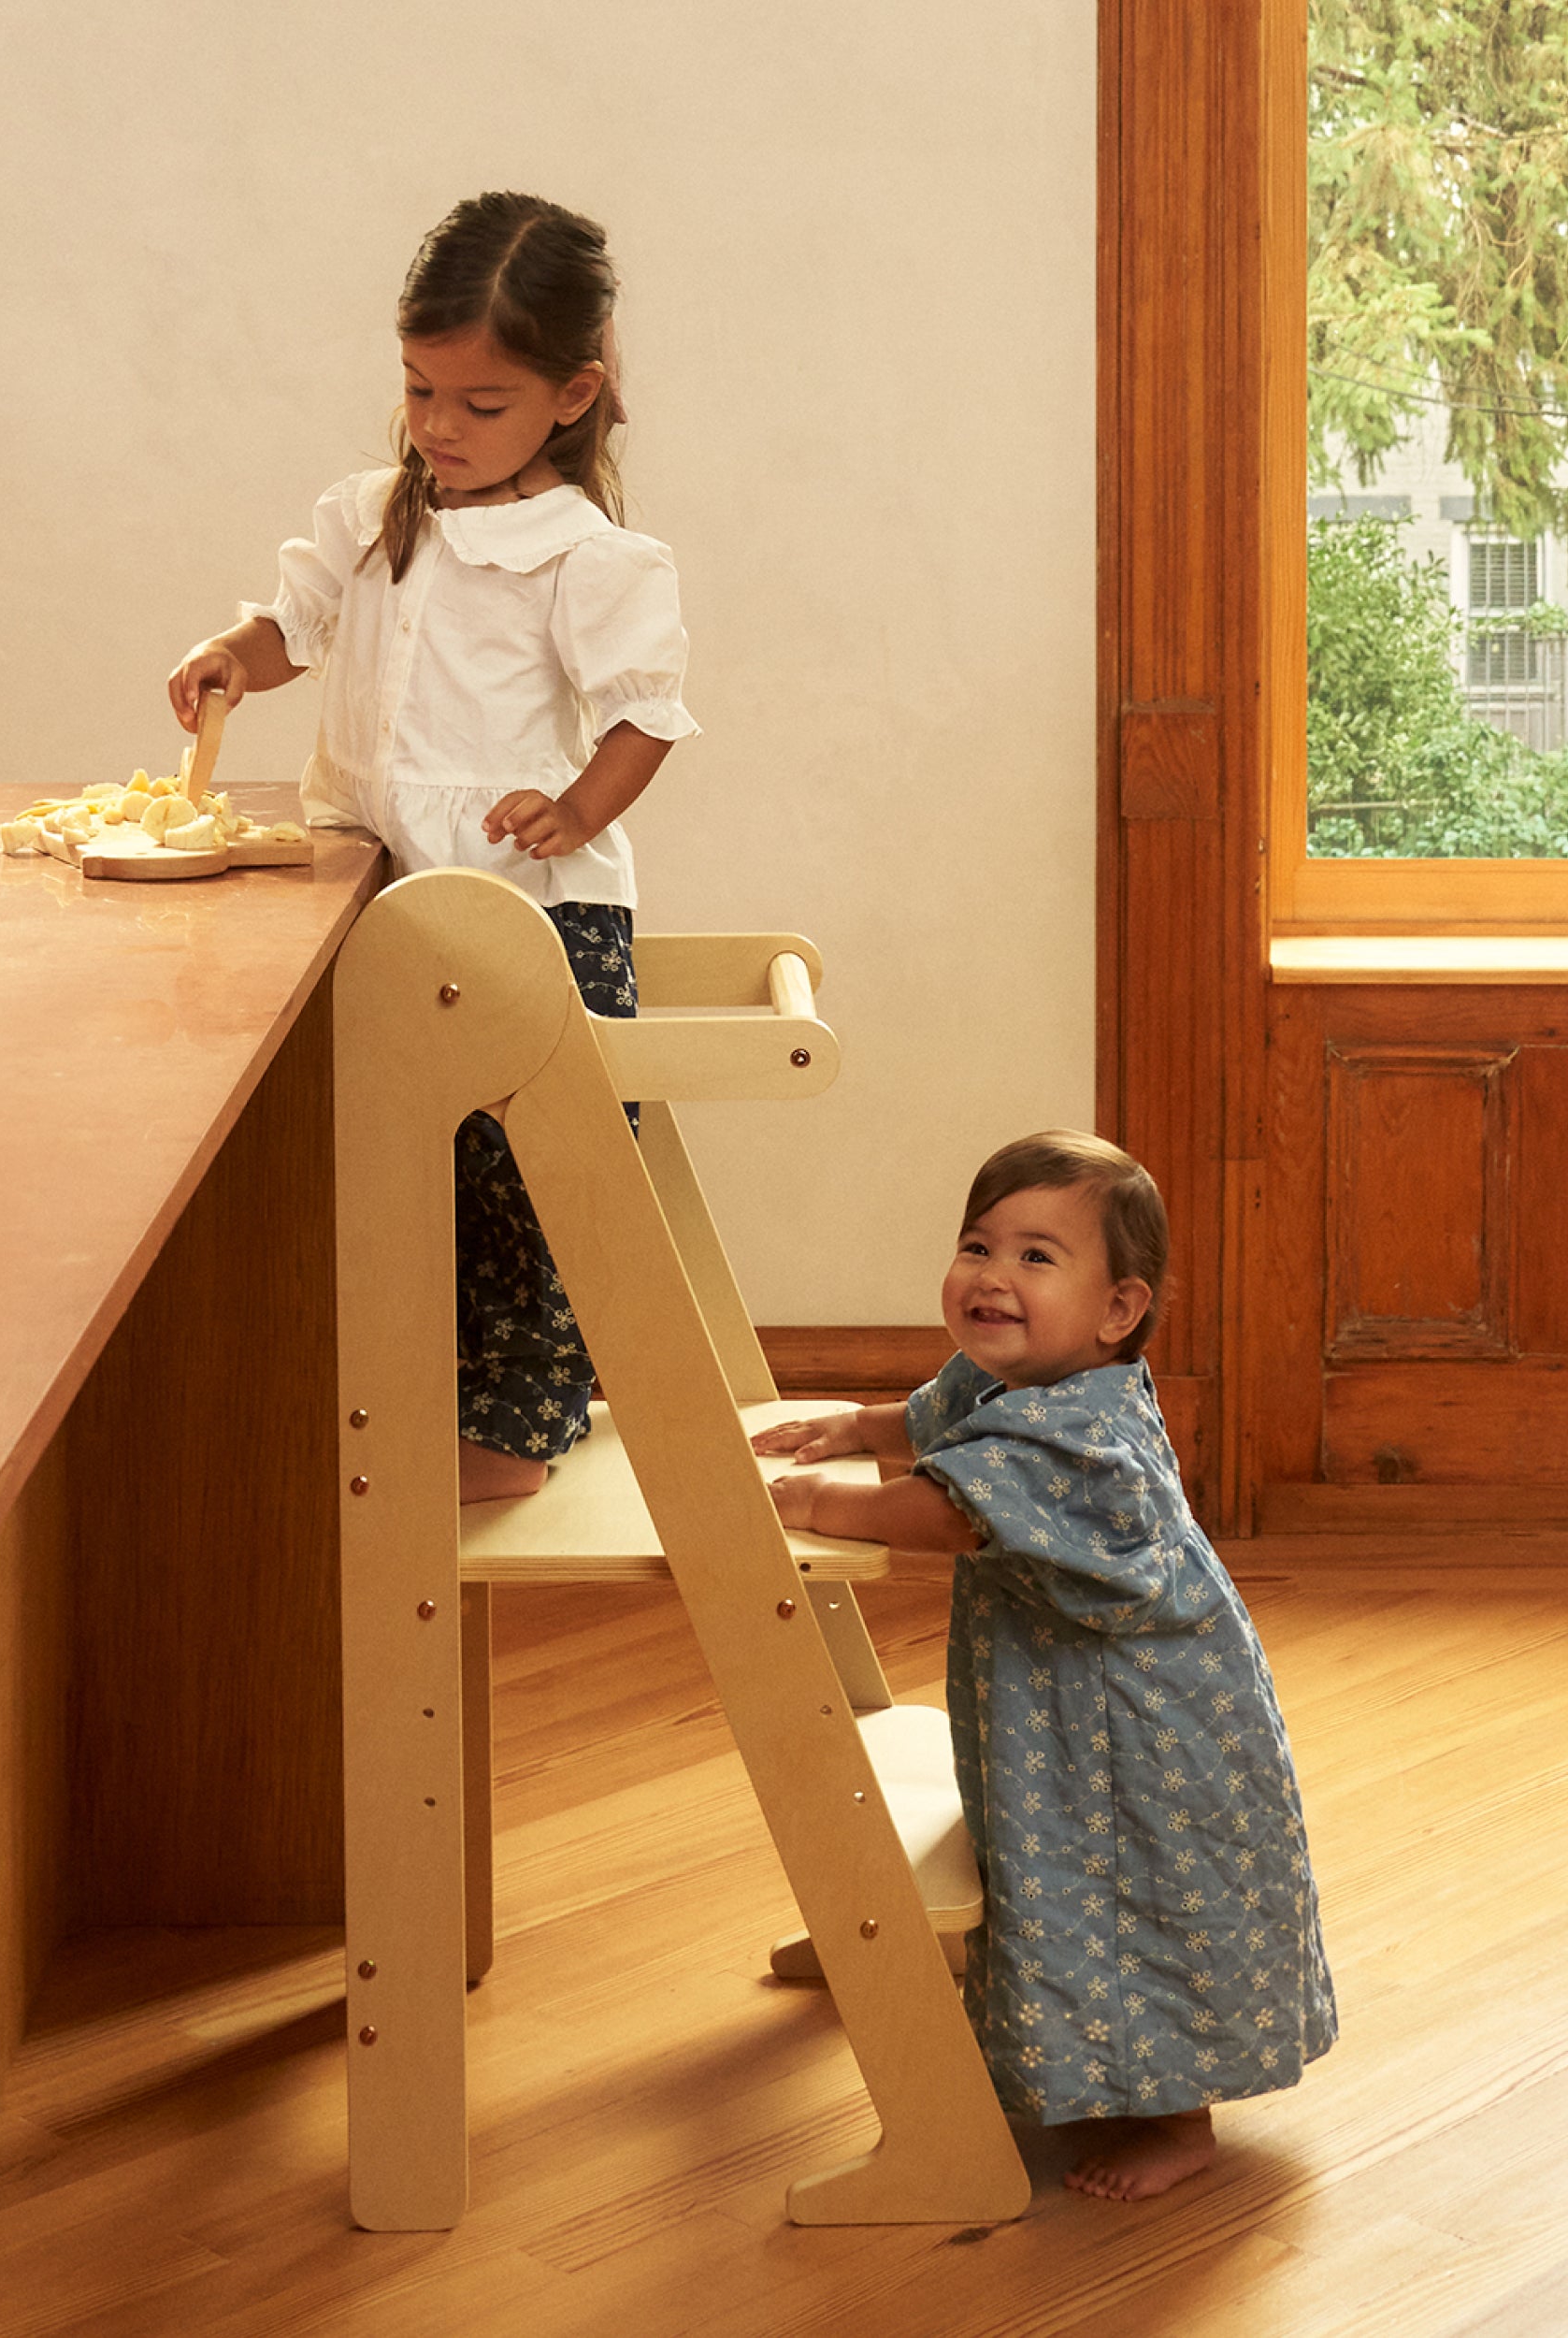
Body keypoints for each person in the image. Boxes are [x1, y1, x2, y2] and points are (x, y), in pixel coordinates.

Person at [169, 192, 697, 1505]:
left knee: (524, 1176)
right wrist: (232, 659)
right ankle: (395, 1389)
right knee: (397, 1165)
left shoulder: (588, 556)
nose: (439, 428)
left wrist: (575, 811)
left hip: (525, 914)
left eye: (480, 403)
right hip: (380, 896)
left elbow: (645, 718)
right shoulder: (367, 518)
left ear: (571, 397)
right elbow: (289, 631)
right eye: (419, 391)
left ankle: (518, 1431)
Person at [753, 1131, 1336, 2201]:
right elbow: (931, 1420)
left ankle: (1174, 2119)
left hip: (1137, 1731)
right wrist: (854, 1423)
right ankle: (1084, 2061)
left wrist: (824, 1501)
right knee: (1053, 1875)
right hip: (1076, 1706)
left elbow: (939, 1512)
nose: (990, 1276)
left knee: (1130, 1899)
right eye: (977, 1244)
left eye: (1034, 1257)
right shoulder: (1013, 1377)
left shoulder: (1077, 1432)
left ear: (1116, 1311)